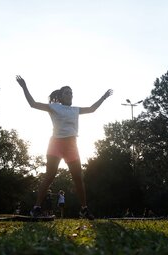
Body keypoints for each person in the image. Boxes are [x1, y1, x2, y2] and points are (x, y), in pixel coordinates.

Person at [16, 75, 113, 220]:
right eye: (67, 92)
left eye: (71, 92)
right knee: (50, 175)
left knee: (78, 178)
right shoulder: (54, 107)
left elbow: (92, 109)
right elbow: (33, 103)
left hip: (72, 146)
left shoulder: (75, 110)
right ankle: (36, 208)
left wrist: (104, 97)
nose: (70, 94)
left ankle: (84, 209)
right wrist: (24, 87)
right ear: (61, 97)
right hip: (56, 144)